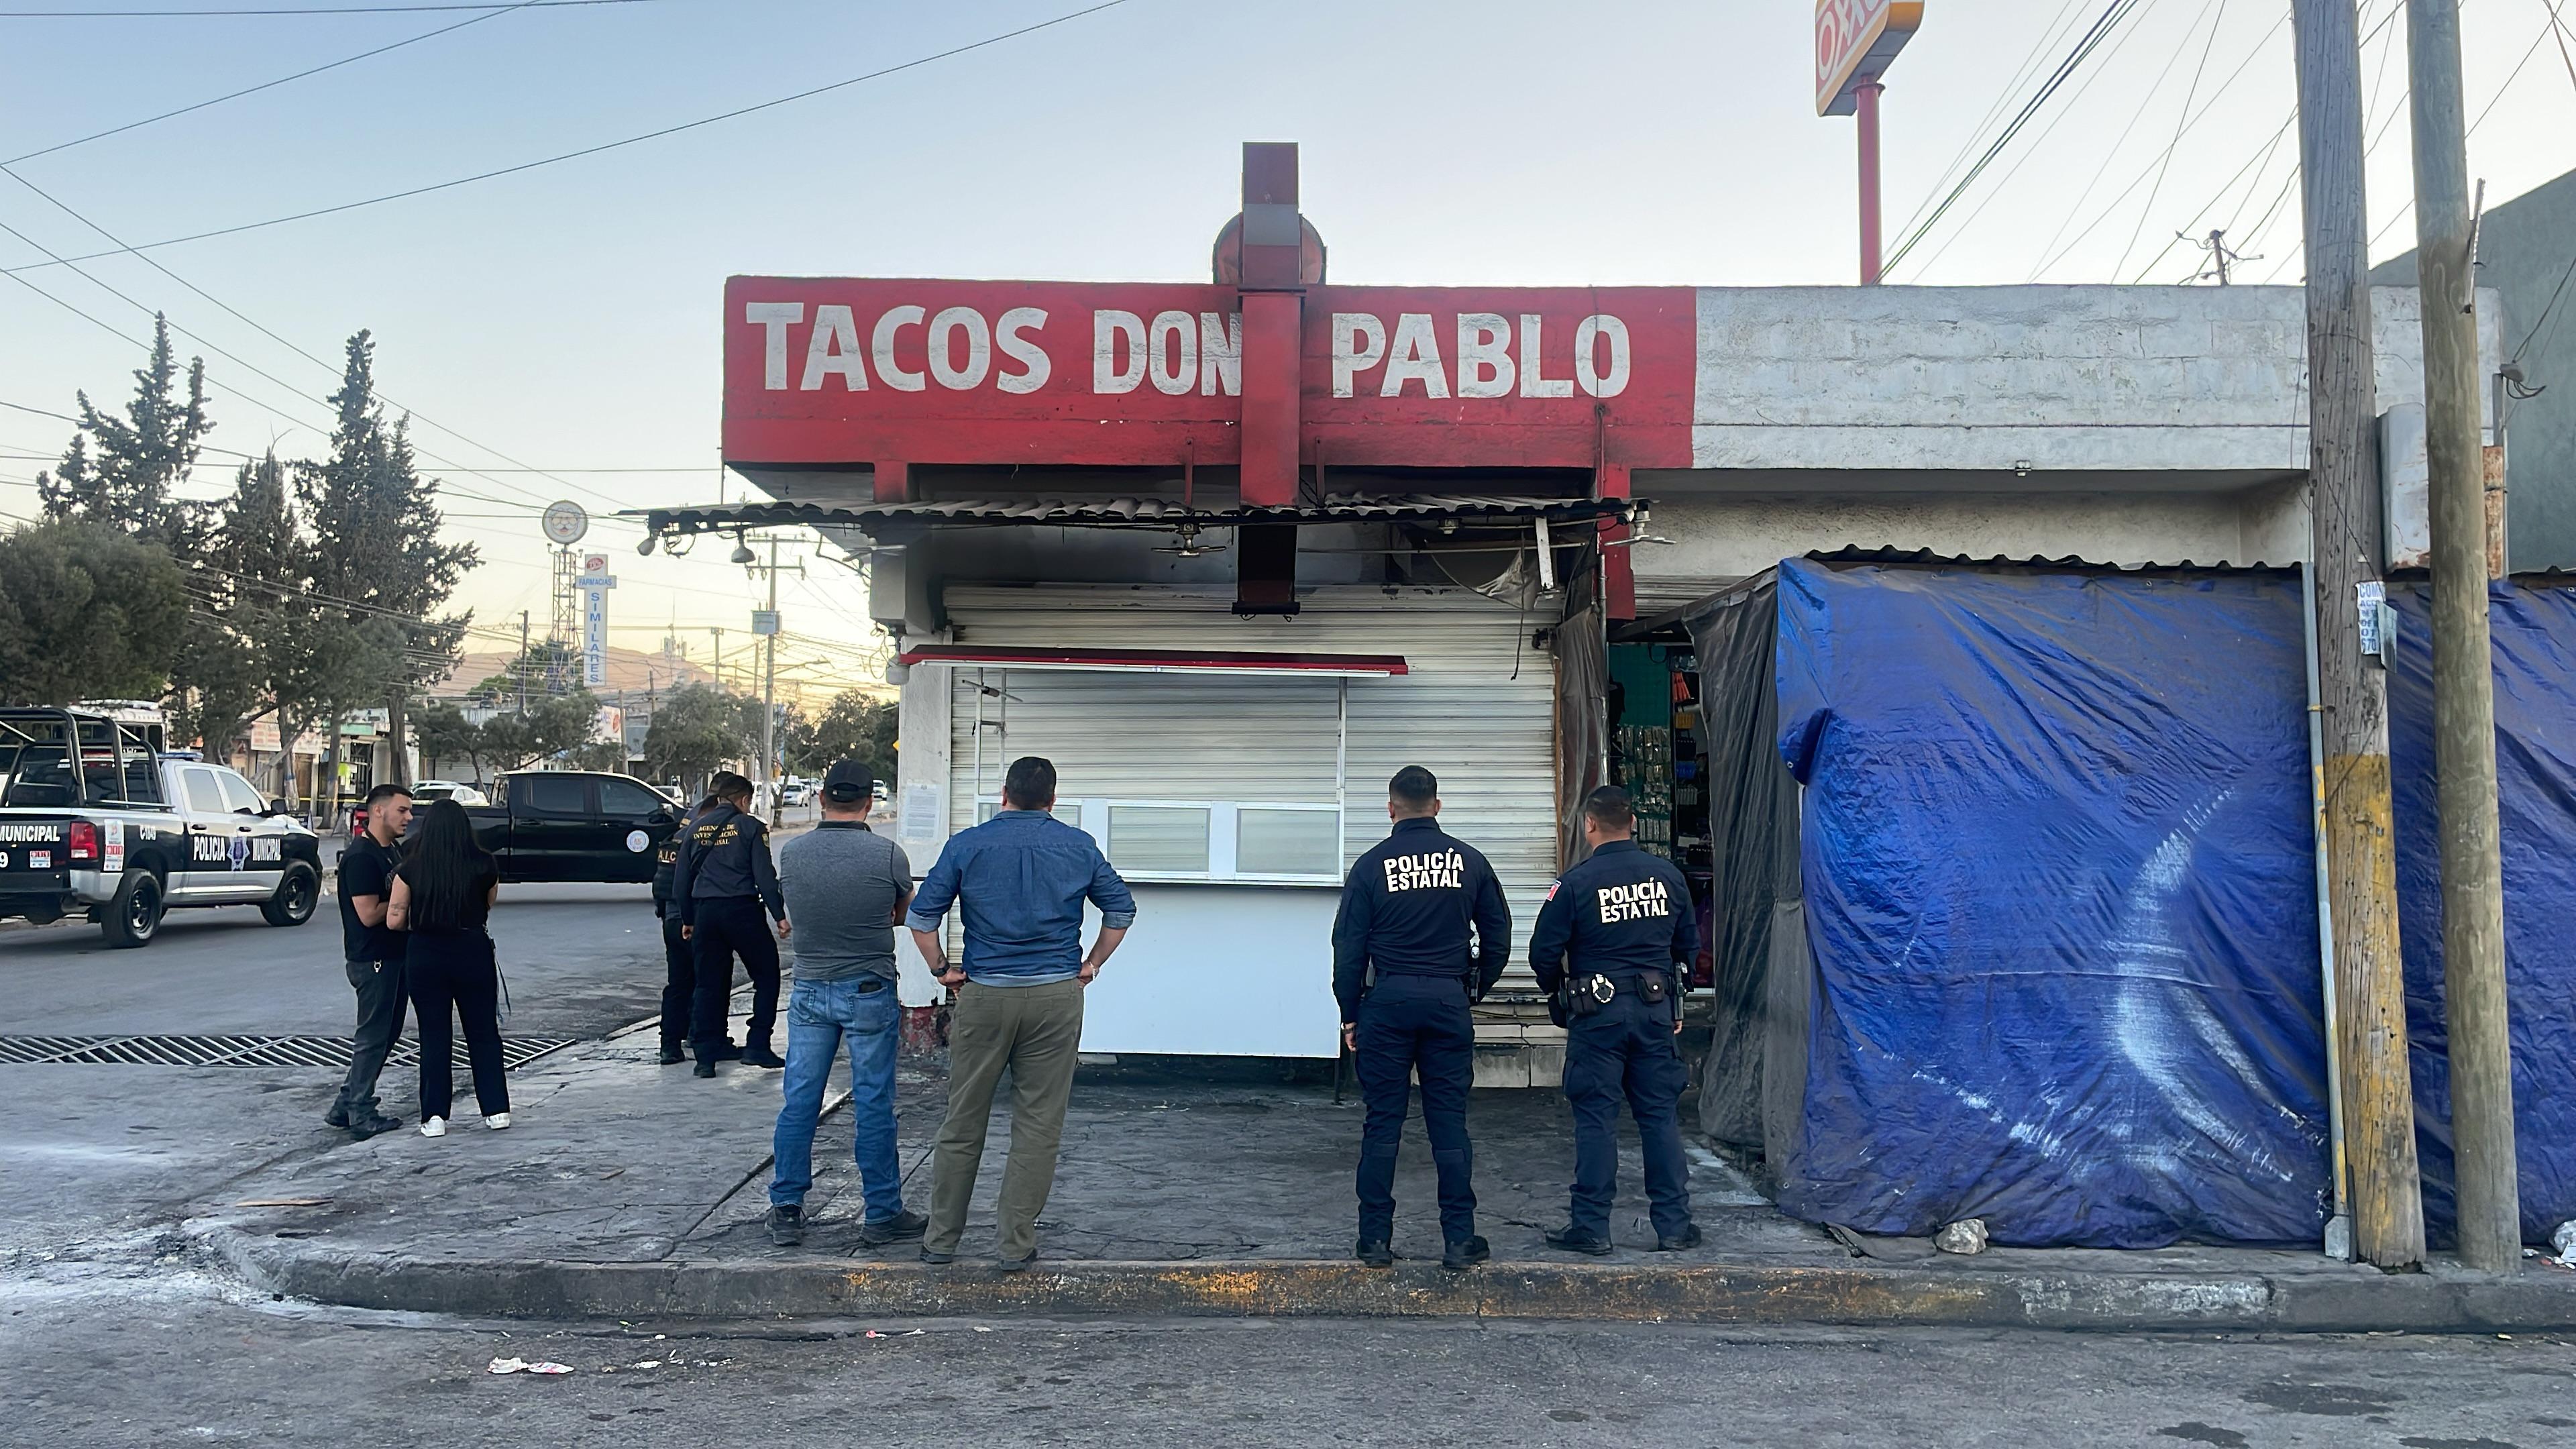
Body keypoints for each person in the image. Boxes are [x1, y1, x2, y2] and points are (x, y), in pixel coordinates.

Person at [906, 755, 1134, 1271]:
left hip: (985, 995)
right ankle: (1015, 1245)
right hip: (1056, 997)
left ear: (1003, 794)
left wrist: (942, 970)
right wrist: (1091, 964)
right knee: (1038, 1125)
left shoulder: (967, 844)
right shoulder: (1079, 846)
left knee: (963, 1120)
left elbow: (921, 919)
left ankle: (940, 1241)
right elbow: (1121, 911)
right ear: (1053, 800)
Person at [1332, 765, 1511, 1272]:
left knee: (1382, 1123)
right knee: (1449, 1123)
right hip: (1446, 999)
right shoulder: (1470, 861)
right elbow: (1498, 936)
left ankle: (1374, 1240)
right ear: (1437, 805)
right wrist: (1471, 989)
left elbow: (1348, 947)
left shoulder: (1370, 866)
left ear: (1391, 809)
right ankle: (1459, 1239)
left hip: (1386, 1003)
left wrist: (1350, 1013)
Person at [1529, 786, 1701, 1255]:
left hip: (1597, 1016)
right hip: (1654, 1011)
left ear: (1589, 824)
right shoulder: (1668, 877)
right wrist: (1672, 1002)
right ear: (1634, 824)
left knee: (1596, 1120)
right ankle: (1674, 1226)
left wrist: (1561, 995)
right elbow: (1688, 946)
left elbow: (1542, 953)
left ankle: (1591, 1228)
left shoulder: (1575, 883)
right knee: (1660, 1118)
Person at [765, 759, 925, 1248]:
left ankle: (786, 1209)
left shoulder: (793, 853)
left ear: (822, 798)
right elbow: (903, 914)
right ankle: (882, 1212)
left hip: (810, 988)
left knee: (800, 1099)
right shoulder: (888, 855)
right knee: (873, 1101)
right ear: (869, 803)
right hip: (869, 988)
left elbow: (797, 910)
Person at [388, 798, 509, 1137]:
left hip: (426, 952)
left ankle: (435, 1116)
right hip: (472, 949)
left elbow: (395, 919)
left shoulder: (411, 866)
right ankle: (496, 1110)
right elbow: (488, 904)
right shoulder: (485, 864)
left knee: (434, 1034)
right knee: (483, 1032)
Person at [672, 771, 788, 1077]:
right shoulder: (751, 827)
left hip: (705, 913)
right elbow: (765, 877)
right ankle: (758, 1044)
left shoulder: (694, 828)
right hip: (742, 911)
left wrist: (688, 918)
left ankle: (705, 1058)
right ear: (745, 800)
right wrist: (779, 915)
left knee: (709, 983)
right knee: (767, 975)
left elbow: (681, 880)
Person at [325, 782, 412, 1138]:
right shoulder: (362, 856)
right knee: (373, 1037)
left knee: (387, 1034)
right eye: (402, 810)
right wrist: (406, 905)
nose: (409, 817)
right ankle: (361, 1112)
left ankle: (345, 1104)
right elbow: (368, 913)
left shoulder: (392, 850)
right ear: (378, 810)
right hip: (373, 959)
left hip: (395, 955)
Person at [653, 795, 730, 1067]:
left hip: (671, 921)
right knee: (709, 983)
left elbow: (661, 886)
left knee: (678, 984)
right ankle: (706, 1041)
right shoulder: (701, 841)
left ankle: (669, 1045)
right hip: (694, 921)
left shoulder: (672, 840)